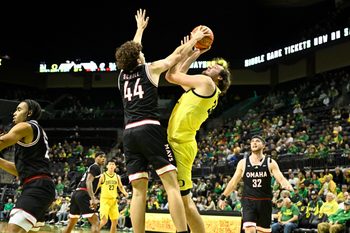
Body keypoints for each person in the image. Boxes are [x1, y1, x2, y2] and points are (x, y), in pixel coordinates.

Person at [114, 8, 209, 233]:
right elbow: (175, 56)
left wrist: (139, 30)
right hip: (149, 129)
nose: (142, 53)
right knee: (171, 185)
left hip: (128, 134)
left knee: (138, 191)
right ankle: (181, 231)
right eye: (140, 53)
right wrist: (194, 41)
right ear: (138, 58)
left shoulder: (121, 77)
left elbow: (132, 50)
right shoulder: (150, 69)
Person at [165, 36, 232, 232]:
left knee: (184, 200)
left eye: (215, 68)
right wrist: (196, 52)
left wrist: (188, 49)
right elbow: (180, 74)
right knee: (181, 199)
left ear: (220, 77)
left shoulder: (207, 84)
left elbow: (171, 76)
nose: (209, 67)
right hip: (177, 143)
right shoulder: (203, 88)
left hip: (181, 145)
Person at [0, 99, 56, 233]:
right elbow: (20, 171)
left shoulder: (25, 126)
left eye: (19, 110)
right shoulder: (33, 132)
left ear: (29, 113)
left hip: (37, 187)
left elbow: (3, 141)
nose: (14, 113)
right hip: (40, 186)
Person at [219, 135, 293, 233]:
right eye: (252, 141)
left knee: (263, 231)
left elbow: (281, 178)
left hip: (265, 202)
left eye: (257, 141)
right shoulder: (243, 163)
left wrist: (287, 186)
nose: (254, 143)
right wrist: (223, 197)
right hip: (249, 201)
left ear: (263, 145)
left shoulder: (270, 162)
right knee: (249, 230)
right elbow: (233, 182)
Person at [63, 151, 106, 233]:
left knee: (71, 223)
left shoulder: (93, 168)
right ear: (95, 158)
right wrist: (93, 198)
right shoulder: (95, 167)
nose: (103, 158)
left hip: (76, 194)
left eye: (104, 157)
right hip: (83, 194)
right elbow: (88, 182)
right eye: (100, 156)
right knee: (96, 222)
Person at [98, 159, 128, 233]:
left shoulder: (117, 177)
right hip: (105, 200)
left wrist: (125, 193)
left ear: (115, 166)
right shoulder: (103, 176)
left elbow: (120, 187)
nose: (111, 165)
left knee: (115, 221)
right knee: (104, 220)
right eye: (110, 164)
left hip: (113, 201)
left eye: (113, 164)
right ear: (107, 166)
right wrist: (91, 197)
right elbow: (97, 186)